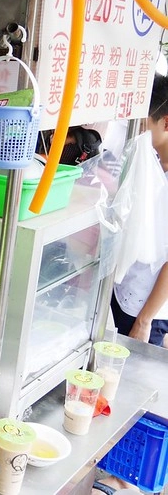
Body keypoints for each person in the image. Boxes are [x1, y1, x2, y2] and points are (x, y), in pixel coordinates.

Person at [111, 73, 168, 346]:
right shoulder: (154, 166)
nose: (135, 132)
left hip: (145, 312)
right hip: (125, 293)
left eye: (142, 125)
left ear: (165, 122)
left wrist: (145, 320)